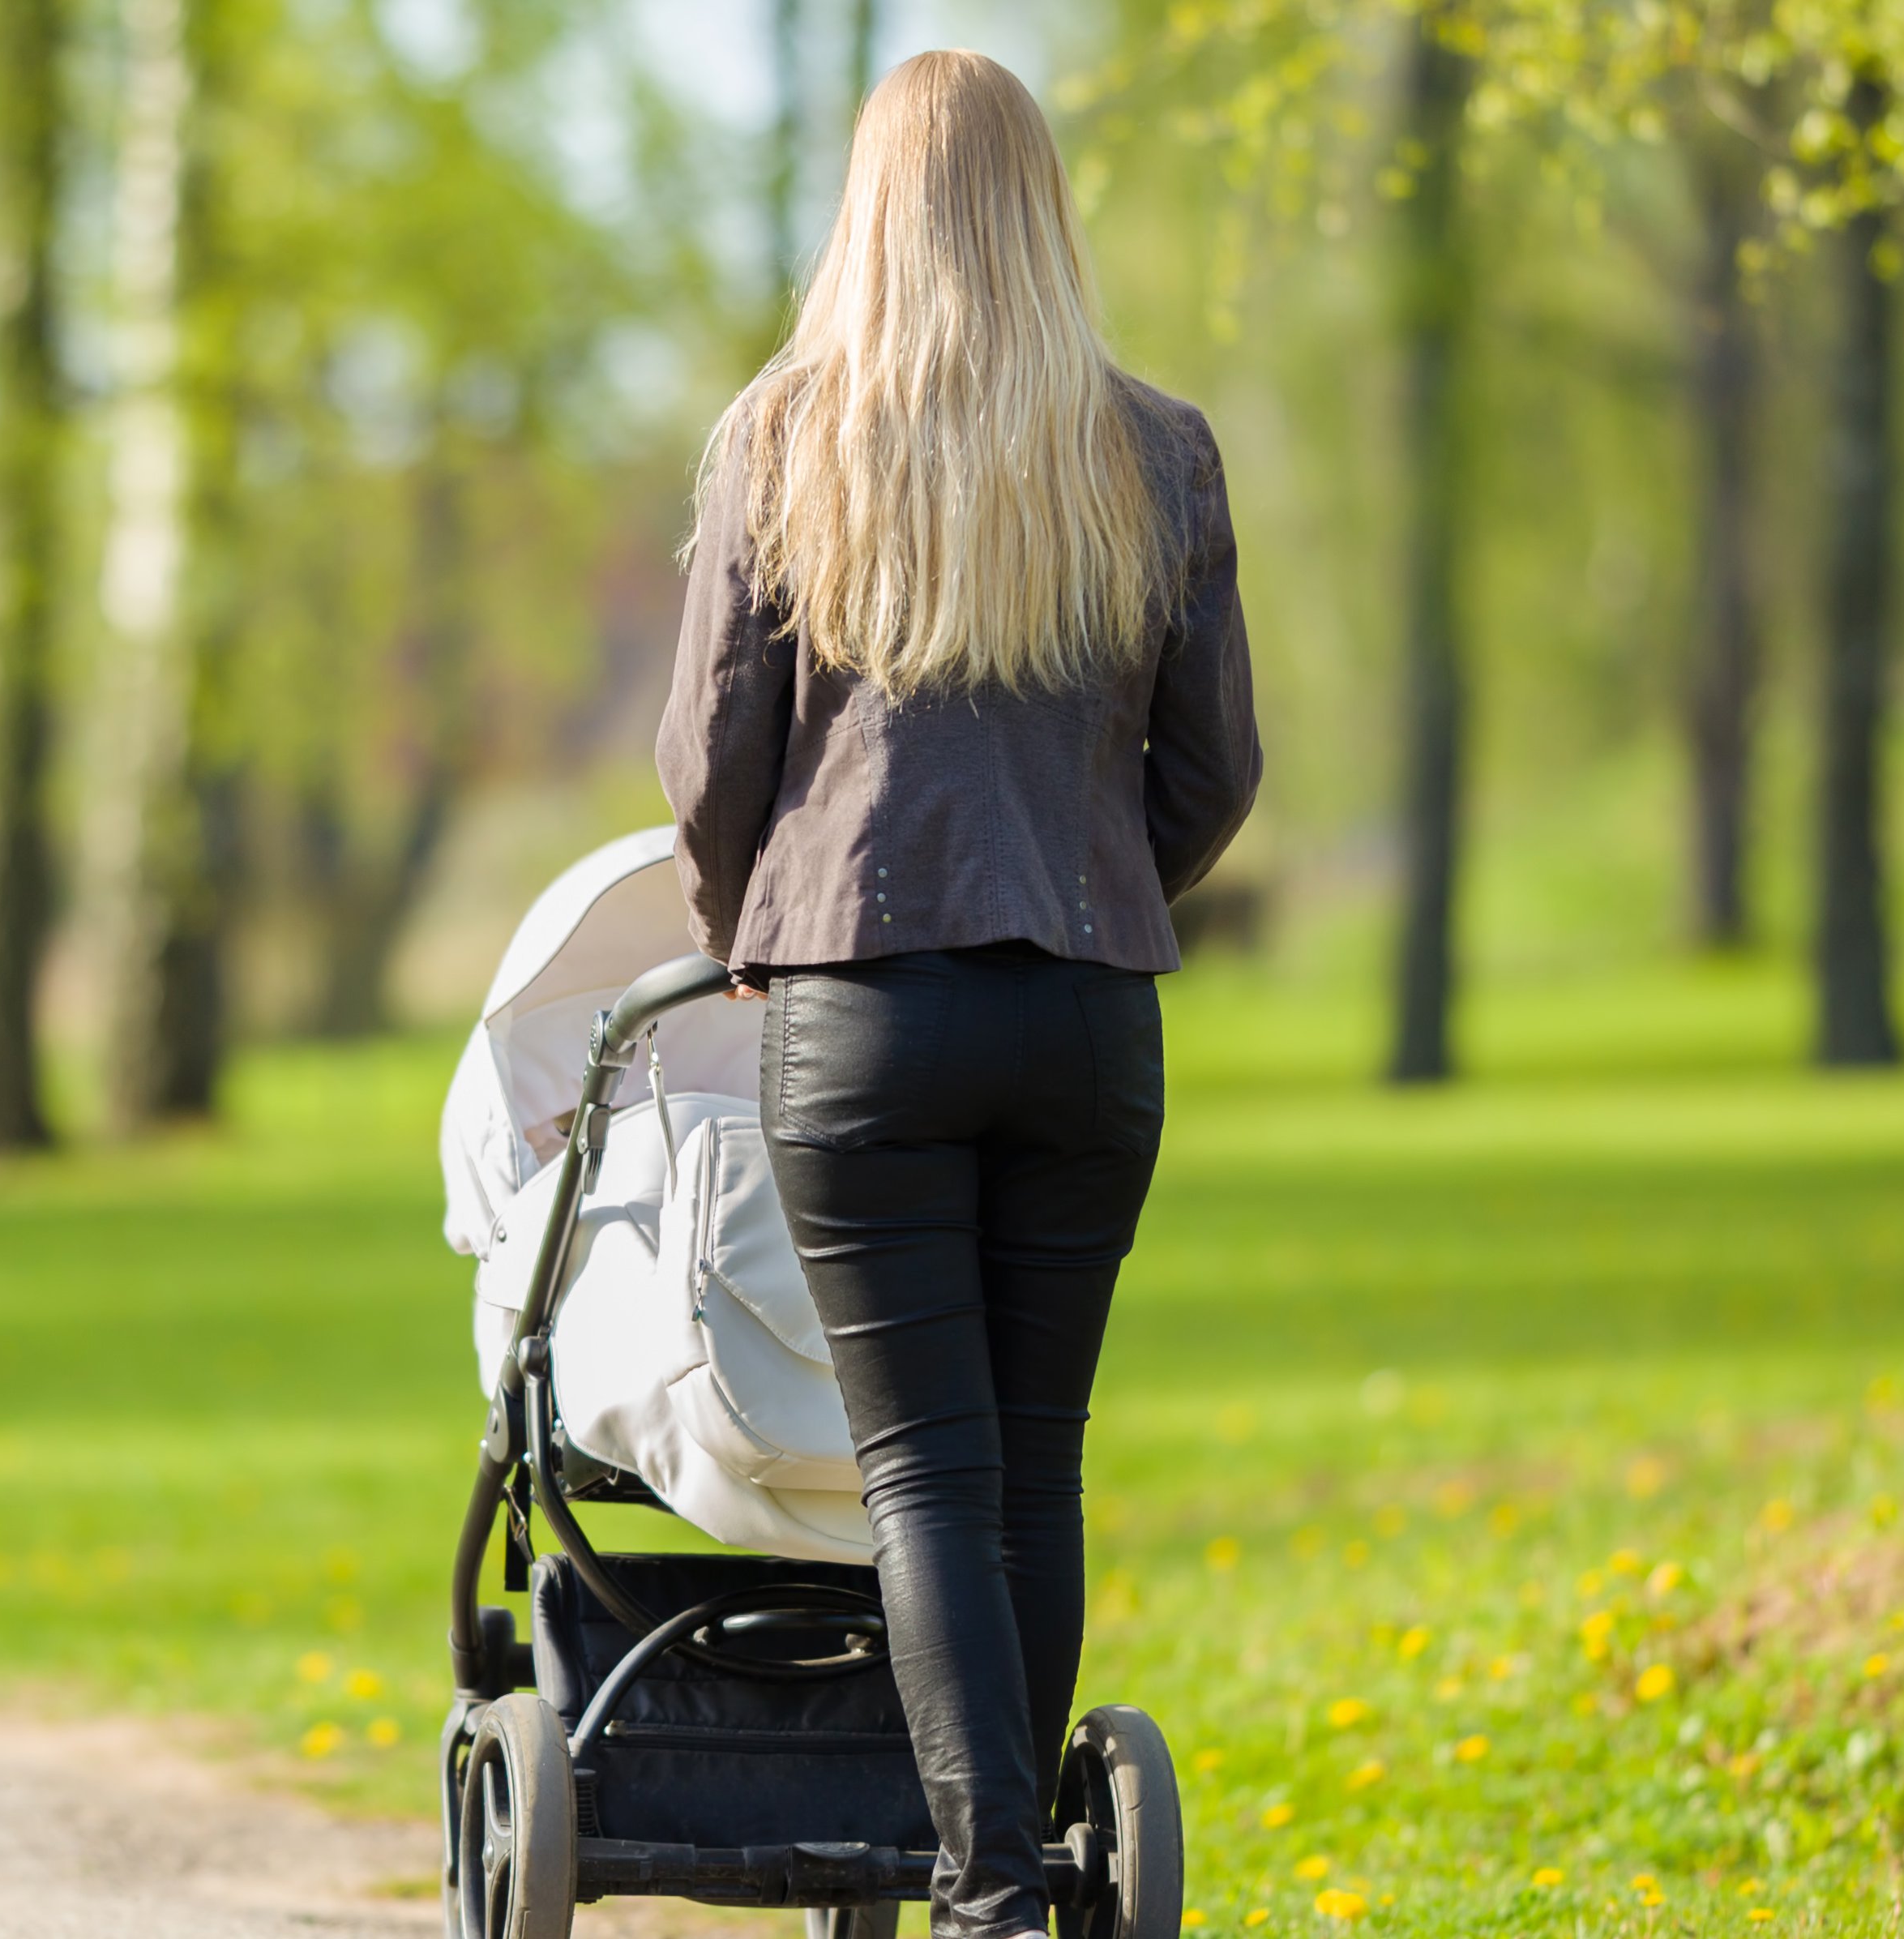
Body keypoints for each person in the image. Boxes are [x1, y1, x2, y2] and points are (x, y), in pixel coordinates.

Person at [656, 48, 1258, 1939]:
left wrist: (744, 914)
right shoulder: (1152, 449)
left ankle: (990, 1888)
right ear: (1041, 210)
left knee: (923, 1470)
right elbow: (1215, 768)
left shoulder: (785, 438)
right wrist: (1098, 886)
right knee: (1035, 1460)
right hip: (1084, 1015)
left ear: (870, 212)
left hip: (863, 1007)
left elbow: (710, 753)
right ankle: (1019, 1881)